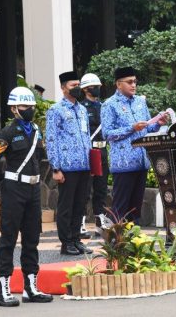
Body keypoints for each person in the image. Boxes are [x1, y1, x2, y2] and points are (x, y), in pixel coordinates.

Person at [0, 86, 53, 307]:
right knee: (8, 239)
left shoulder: (35, 131)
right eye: (25, 106)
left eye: (32, 106)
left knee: (32, 239)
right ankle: (2, 290)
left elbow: (39, 157)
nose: (30, 110)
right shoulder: (7, 133)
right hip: (14, 189)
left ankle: (30, 287)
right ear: (14, 109)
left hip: (33, 190)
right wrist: (3, 181)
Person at [101, 67, 166, 223]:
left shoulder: (140, 102)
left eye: (135, 81)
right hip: (123, 164)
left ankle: (132, 243)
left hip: (141, 161)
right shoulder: (109, 104)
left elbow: (148, 127)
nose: (134, 85)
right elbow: (107, 134)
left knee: (135, 209)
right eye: (129, 82)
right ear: (118, 84)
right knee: (120, 207)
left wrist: (158, 123)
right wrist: (131, 128)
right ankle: (115, 243)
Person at [45, 71, 93, 256]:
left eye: (78, 85)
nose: (77, 88)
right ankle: (66, 243)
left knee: (80, 205)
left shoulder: (82, 110)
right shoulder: (55, 110)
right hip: (66, 167)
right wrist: (55, 168)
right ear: (63, 88)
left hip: (83, 165)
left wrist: (91, 163)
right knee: (66, 206)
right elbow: (51, 139)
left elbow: (86, 136)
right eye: (73, 85)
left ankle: (76, 239)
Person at [79, 73, 108, 238]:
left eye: (98, 85)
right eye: (92, 86)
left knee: (101, 188)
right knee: (85, 189)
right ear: (84, 89)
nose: (96, 88)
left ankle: (100, 221)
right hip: (89, 151)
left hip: (102, 150)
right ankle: (81, 222)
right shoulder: (81, 108)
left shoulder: (104, 106)